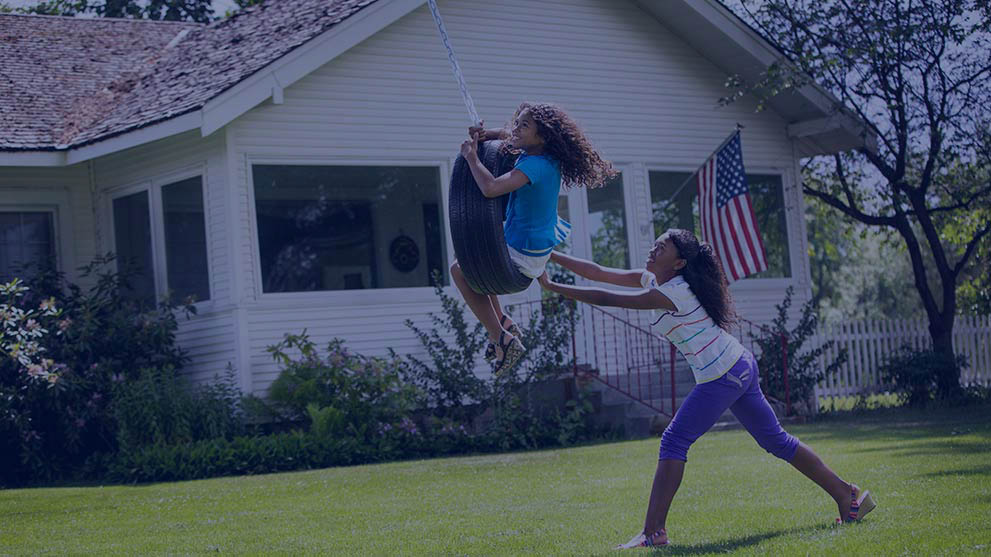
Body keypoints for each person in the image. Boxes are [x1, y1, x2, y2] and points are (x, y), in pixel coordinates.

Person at [537, 228, 876, 548]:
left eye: (661, 248)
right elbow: (599, 272)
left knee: (674, 440)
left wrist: (555, 288)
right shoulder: (655, 280)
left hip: (722, 373)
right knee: (776, 441)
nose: (653, 250)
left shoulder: (675, 292)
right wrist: (549, 254)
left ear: (679, 263)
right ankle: (847, 496)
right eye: (654, 245)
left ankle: (653, 532)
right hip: (737, 364)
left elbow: (609, 297)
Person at [452, 102, 615, 375]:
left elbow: (491, 188)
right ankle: (503, 322)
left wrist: (471, 158)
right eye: (517, 122)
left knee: (459, 270)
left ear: (542, 137)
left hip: (524, 253)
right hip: (534, 249)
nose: (515, 128)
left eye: (523, 124)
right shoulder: (545, 156)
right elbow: (510, 136)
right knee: (478, 266)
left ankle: (501, 335)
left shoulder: (536, 166)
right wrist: (490, 134)